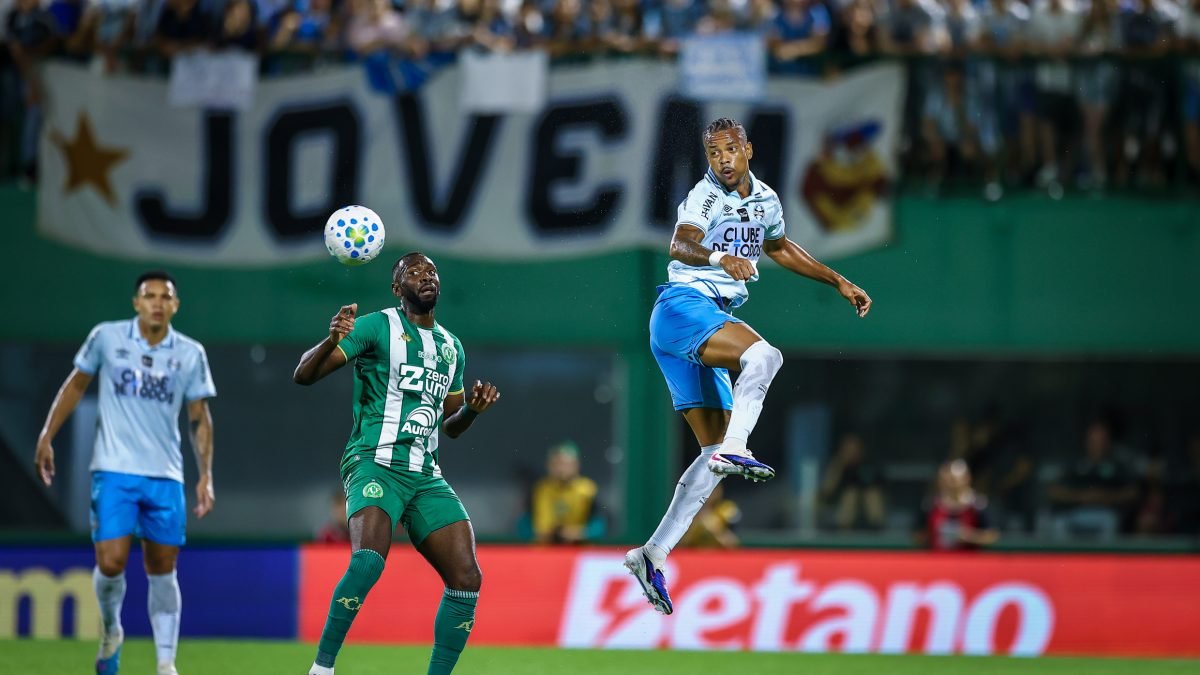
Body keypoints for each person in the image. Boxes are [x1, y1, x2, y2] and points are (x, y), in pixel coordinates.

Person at [624, 117, 872, 615]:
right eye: (714, 153)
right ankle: (738, 448)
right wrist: (719, 259)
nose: (722, 160)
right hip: (683, 307)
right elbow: (680, 244)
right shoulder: (704, 196)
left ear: (749, 149)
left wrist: (838, 281)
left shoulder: (767, 201)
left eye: (730, 150)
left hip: (698, 323)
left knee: (711, 452)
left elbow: (779, 247)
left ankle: (651, 554)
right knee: (764, 355)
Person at [293, 252, 500, 675]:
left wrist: (474, 412)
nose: (426, 277)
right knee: (368, 560)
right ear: (397, 288)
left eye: (432, 271)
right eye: (414, 272)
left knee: (467, 579)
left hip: (425, 476)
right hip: (374, 462)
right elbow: (304, 375)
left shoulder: (451, 347)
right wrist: (332, 339)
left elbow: (450, 426)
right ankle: (322, 668)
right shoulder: (376, 325)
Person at [34, 270, 217, 675]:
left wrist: (205, 474)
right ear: (136, 302)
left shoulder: (189, 353)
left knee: (162, 567)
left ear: (175, 305)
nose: (156, 302)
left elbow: (199, 417)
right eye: (148, 295)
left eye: (164, 297)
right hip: (114, 470)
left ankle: (166, 663)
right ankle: (111, 630)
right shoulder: (107, 337)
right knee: (112, 561)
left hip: (165, 474)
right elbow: (76, 385)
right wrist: (47, 434)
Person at [914, 459, 999, 551]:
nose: (949, 484)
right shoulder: (930, 504)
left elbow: (992, 536)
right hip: (937, 561)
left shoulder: (979, 505)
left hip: (970, 562)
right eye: (945, 479)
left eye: (953, 480)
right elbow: (917, 535)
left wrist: (968, 536)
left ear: (966, 478)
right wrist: (934, 534)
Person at [530, 441, 600, 544]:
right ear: (549, 466)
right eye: (556, 464)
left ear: (576, 465)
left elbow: (600, 525)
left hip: (578, 549)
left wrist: (581, 533)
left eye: (566, 464)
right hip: (544, 549)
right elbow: (525, 524)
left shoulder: (587, 489)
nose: (561, 469)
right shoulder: (540, 489)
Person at [819, 432, 885, 531]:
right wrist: (839, 465)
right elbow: (827, 491)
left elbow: (879, 488)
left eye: (854, 448)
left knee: (872, 495)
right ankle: (844, 532)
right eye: (848, 449)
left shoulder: (869, 464)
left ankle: (877, 531)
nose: (851, 452)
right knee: (850, 496)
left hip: (867, 510)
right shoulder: (837, 466)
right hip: (839, 511)